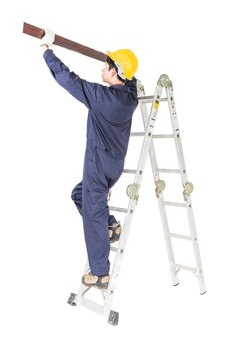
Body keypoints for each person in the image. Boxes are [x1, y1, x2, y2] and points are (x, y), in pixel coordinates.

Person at [40, 29, 138, 289]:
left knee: (92, 214)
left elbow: (69, 80)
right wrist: (117, 61)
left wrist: (48, 52)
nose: (102, 68)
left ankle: (100, 273)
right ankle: (111, 227)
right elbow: (131, 78)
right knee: (79, 195)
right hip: (113, 165)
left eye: (106, 66)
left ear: (114, 72)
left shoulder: (102, 98)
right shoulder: (130, 96)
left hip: (97, 163)